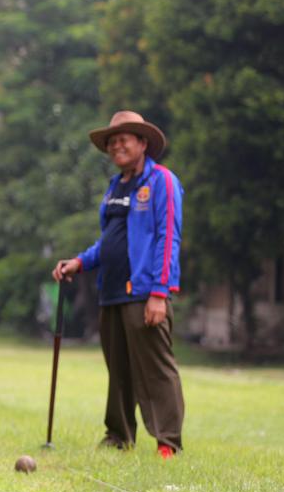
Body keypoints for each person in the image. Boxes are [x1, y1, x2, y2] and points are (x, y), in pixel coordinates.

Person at [52, 111, 185, 459]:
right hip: (110, 292)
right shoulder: (116, 187)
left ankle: (167, 442)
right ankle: (119, 436)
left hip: (144, 293)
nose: (116, 145)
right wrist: (79, 262)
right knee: (119, 371)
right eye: (111, 141)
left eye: (124, 138)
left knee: (154, 369)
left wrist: (160, 292)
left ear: (143, 143)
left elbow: (167, 237)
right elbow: (109, 240)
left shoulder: (161, 181)